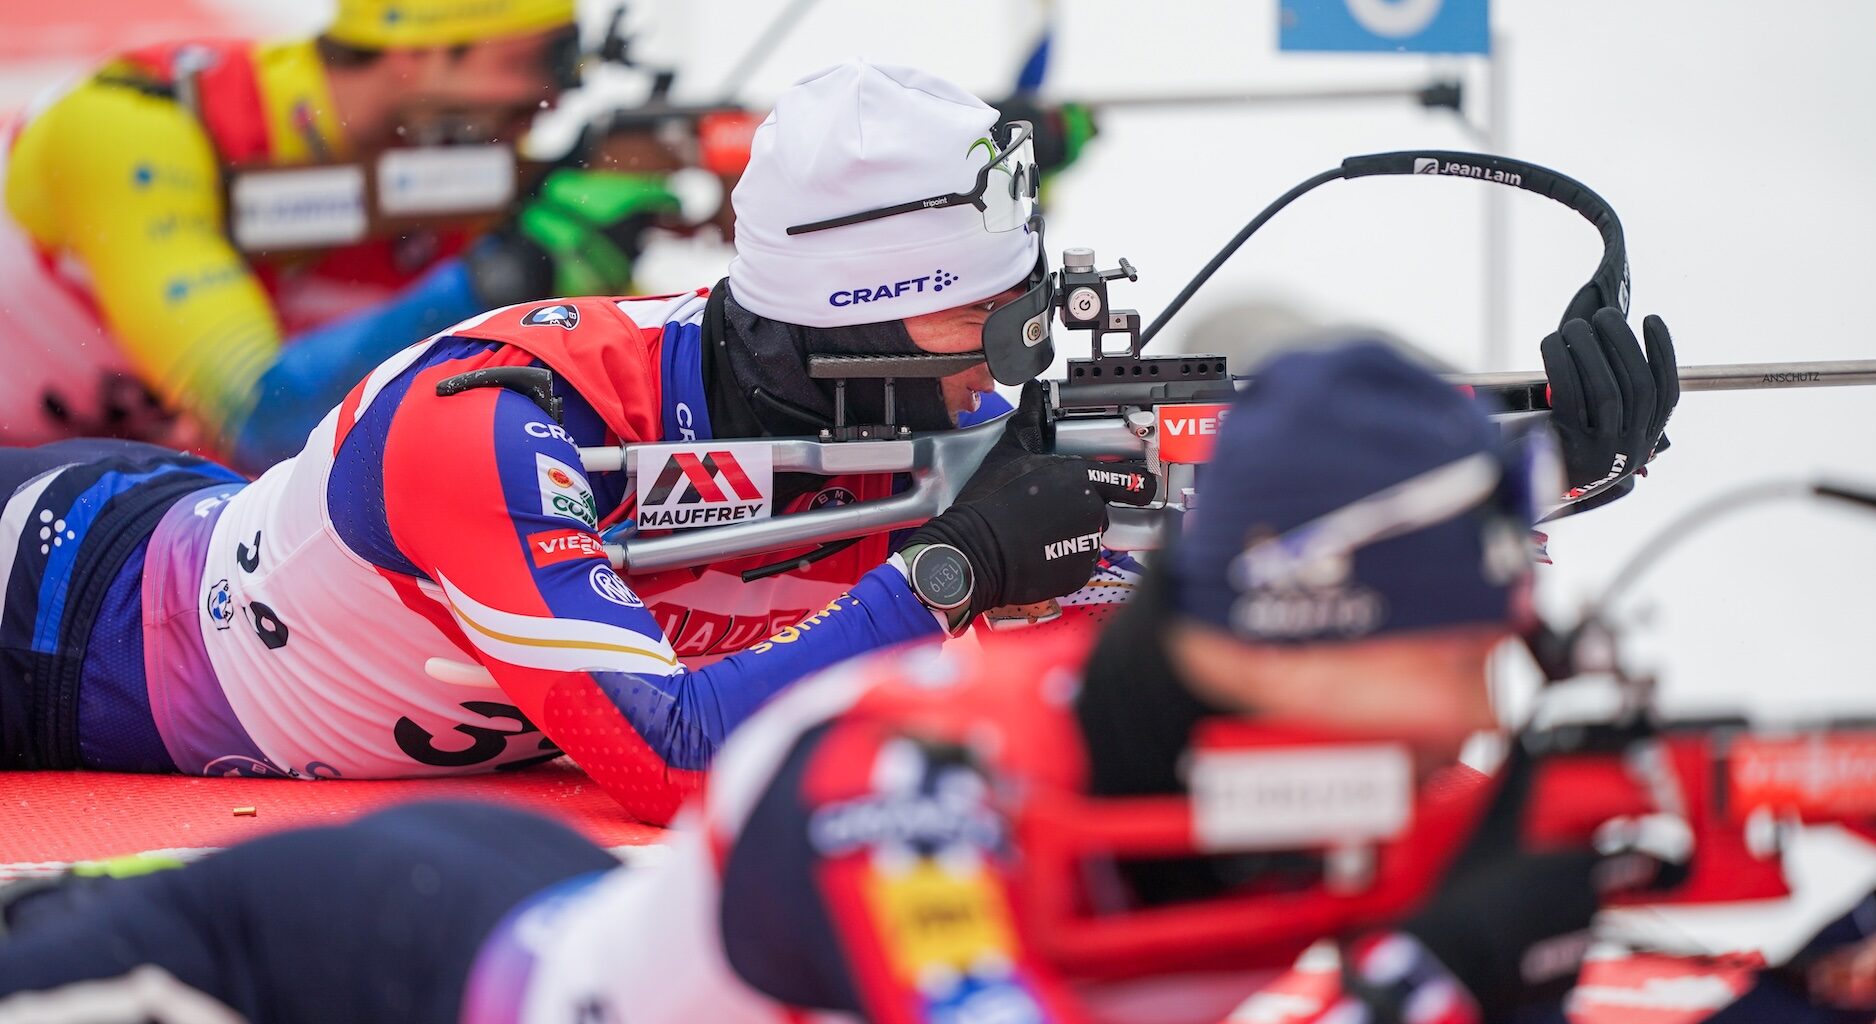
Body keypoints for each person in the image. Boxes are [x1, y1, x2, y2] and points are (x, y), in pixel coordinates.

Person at [0, 338, 1683, 1024]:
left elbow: (1199, 516)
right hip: (344, 964)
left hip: (490, 875)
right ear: (1299, 624)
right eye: (1462, 647)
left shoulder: (1307, 756)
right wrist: (1438, 983)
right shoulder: (917, 783)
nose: (1483, 710)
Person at [0, 63, 1150, 829]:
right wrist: (953, 569)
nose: (1008, 362)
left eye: (1028, 309)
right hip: (56, 619)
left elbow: (1135, 636)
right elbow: (672, 758)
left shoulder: (893, 416)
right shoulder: (500, 421)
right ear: (852, 321)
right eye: (981, 320)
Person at [0, 0, 672, 469]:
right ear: (420, 53)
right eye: (541, 61)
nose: (552, 98)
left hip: (152, 510)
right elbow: (259, 419)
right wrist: (510, 272)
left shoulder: (455, 160)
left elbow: (636, 398)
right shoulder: (132, 128)